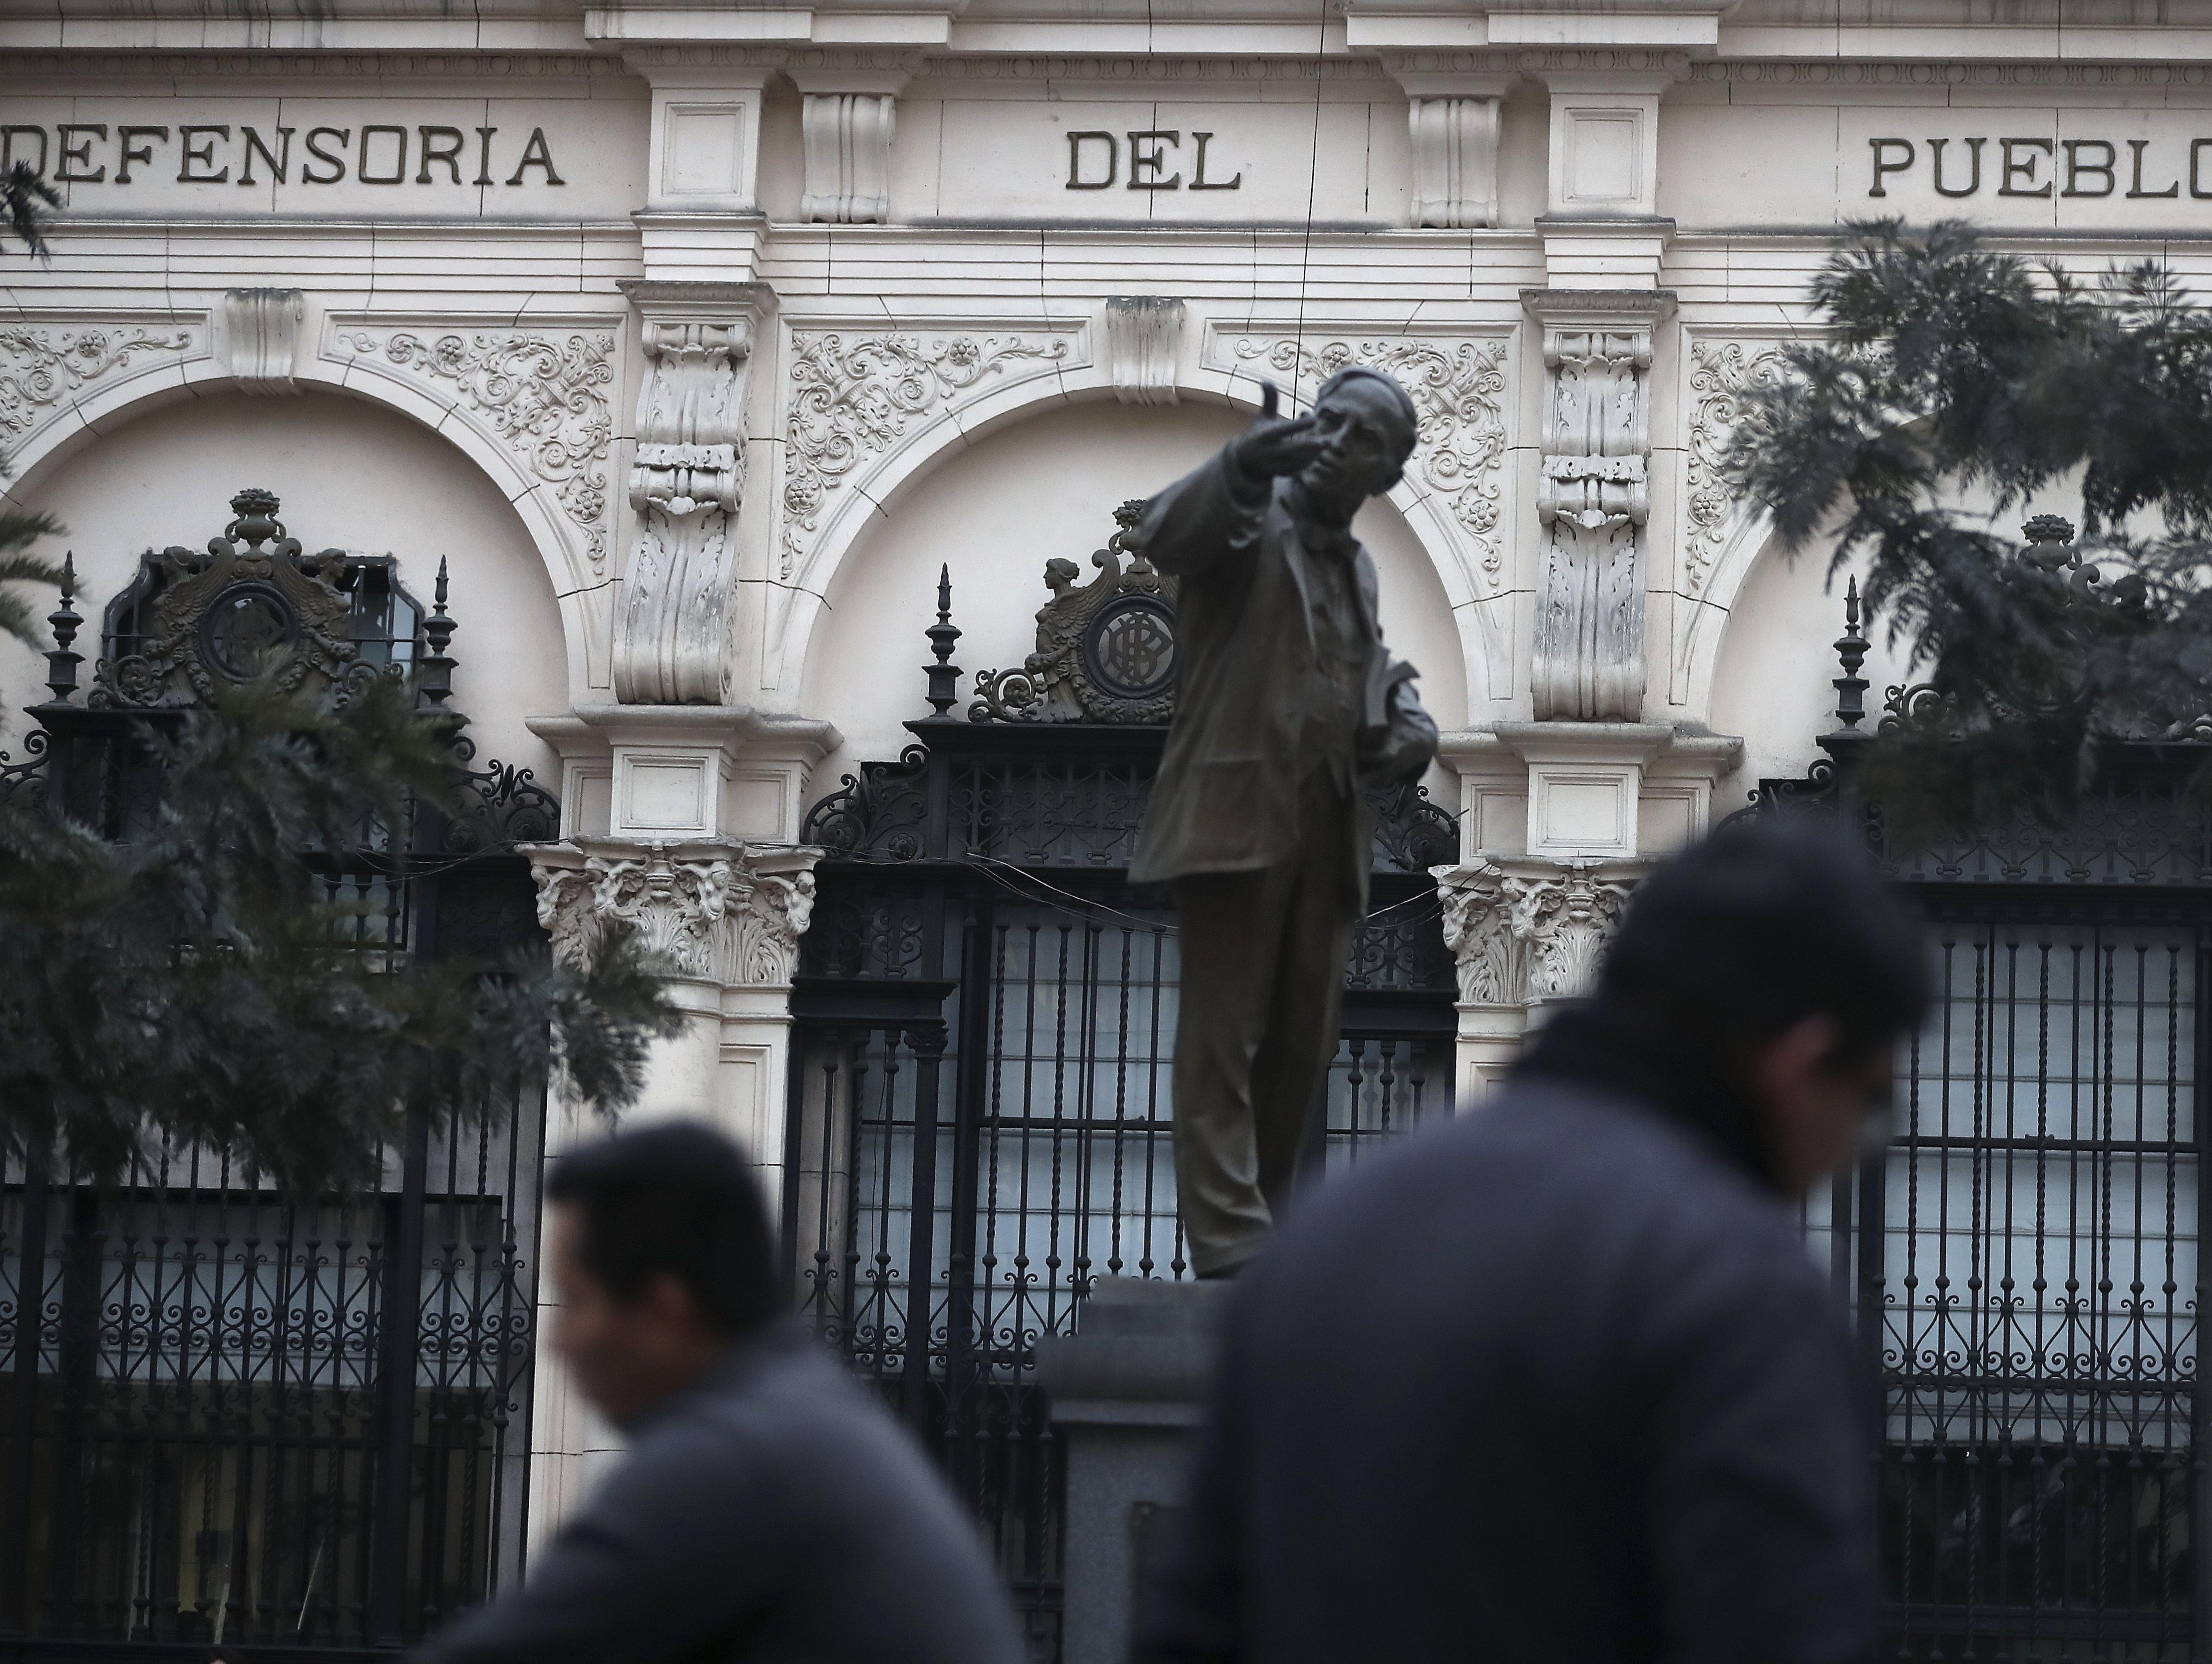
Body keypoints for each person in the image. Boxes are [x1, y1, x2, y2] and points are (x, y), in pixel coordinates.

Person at [1137, 819, 1931, 1664]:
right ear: (1799, 1062)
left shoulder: (1329, 1231)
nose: (1856, 1146)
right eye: (1874, 1104)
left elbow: (1195, 1625)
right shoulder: (1731, 1284)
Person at [418, 1121, 1020, 1664]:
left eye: (576, 1301)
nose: (556, 1342)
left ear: (665, 1312)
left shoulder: (732, 1459)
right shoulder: (799, 1408)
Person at [1128, 367, 1439, 1279]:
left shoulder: (1360, 566)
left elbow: (1366, 669)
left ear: (1387, 473)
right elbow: (1165, 532)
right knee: (1224, 1033)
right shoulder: (1243, 518)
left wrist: (1408, 724)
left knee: (1305, 1037)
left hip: (1327, 817)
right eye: (1333, 423)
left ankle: (1266, 1221)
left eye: (1366, 440)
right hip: (1236, 806)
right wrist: (1238, 463)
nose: (1341, 443)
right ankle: (1229, 1239)